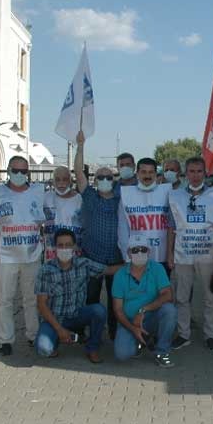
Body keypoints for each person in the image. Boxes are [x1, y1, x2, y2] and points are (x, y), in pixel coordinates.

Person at [0, 156, 46, 356]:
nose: (20, 175)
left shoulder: (38, 192)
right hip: (6, 255)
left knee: (31, 298)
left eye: (24, 171)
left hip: (31, 253)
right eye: (16, 170)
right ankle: (5, 340)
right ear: (8, 170)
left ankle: (33, 335)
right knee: (4, 299)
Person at [34, 229, 121, 363]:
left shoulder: (83, 264)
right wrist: (60, 329)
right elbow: (41, 304)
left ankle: (92, 348)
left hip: (77, 315)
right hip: (55, 319)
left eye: (68, 245)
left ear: (74, 246)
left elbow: (108, 270)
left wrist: (135, 264)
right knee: (44, 349)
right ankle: (58, 338)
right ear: (55, 247)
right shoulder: (46, 270)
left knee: (99, 311)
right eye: (60, 245)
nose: (64, 249)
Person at [166, 157, 213, 351]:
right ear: (185, 173)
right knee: (181, 296)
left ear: (205, 173)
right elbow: (171, 227)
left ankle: (211, 335)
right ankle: (184, 334)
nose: (195, 175)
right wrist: (169, 254)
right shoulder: (175, 196)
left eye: (199, 171)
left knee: (209, 296)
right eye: (191, 171)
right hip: (183, 253)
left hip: (208, 252)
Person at [75, 130, 123, 340]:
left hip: (116, 259)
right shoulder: (90, 197)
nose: (104, 179)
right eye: (100, 176)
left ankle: (114, 333)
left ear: (114, 180)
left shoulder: (122, 198)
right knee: (91, 299)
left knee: (116, 300)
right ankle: (88, 334)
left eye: (108, 177)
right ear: (95, 180)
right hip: (92, 258)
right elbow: (78, 172)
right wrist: (80, 145)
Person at [112, 234, 177, 368]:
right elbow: (117, 310)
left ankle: (162, 351)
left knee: (170, 310)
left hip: (151, 317)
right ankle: (139, 340)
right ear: (129, 253)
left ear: (149, 251)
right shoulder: (120, 274)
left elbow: (167, 295)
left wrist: (143, 310)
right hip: (129, 322)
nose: (140, 253)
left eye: (143, 249)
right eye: (135, 250)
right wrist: (133, 328)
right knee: (122, 354)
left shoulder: (157, 268)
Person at [118, 157, 172, 276]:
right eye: (143, 172)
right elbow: (122, 229)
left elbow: (172, 225)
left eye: (151, 172)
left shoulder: (167, 192)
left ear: (156, 174)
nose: (147, 176)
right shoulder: (127, 195)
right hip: (136, 256)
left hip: (162, 256)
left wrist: (171, 254)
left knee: (161, 292)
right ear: (137, 173)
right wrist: (126, 256)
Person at [43, 166, 82, 262]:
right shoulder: (46, 198)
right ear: (53, 182)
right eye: (57, 179)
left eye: (65, 179)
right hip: (52, 253)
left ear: (71, 181)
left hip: (74, 252)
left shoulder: (80, 200)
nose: (61, 183)